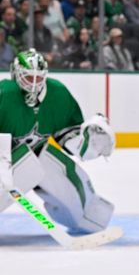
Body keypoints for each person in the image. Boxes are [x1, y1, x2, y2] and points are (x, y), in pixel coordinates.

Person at [0, 49, 115, 234]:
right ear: (16, 74)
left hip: (37, 155)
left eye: (39, 78)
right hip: (5, 161)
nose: (35, 84)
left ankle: (87, 219)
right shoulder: (4, 93)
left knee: (83, 207)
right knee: (23, 166)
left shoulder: (57, 94)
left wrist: (86, 142)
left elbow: (67, 131)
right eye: (29, 78)